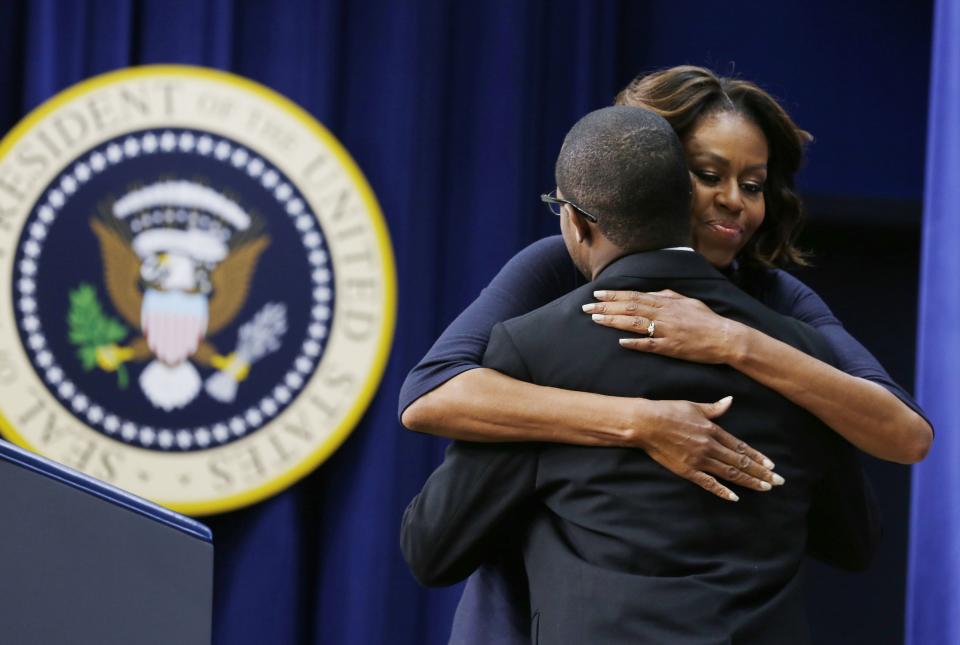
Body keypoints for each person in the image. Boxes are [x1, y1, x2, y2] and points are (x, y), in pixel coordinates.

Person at [398, 66, 932, 643]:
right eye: (708, 175)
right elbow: (432, 394)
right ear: (655, 171)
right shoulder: (555, 269)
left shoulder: (777, 303)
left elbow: (904, 434)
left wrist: (736, 342)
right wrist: (641, 422)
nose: (733, 201)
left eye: (753, 185)